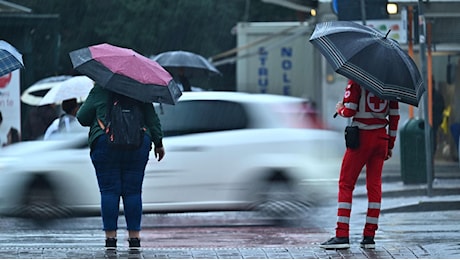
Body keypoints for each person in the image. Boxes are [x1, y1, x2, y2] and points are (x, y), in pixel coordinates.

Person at [76, 84, 165, 251]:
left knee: (109, 191)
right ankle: (134, 238)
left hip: (105, 142)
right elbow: (152, 119)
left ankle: (111, 239)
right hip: (138, 143)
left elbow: (82, 118)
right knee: (133, 191)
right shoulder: (140, 89)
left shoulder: (101, 88)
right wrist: (158, 143)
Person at [320, 79, 400, 250]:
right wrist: (390, 144)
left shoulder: (357, 80)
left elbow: (349, 111)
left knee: (346, 184)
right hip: (381, 138)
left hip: (362, 138)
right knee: (374, 186)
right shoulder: (390, 86)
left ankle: (342, 235)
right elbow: (394, 117)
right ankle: (369, 236)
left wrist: (339, 108)